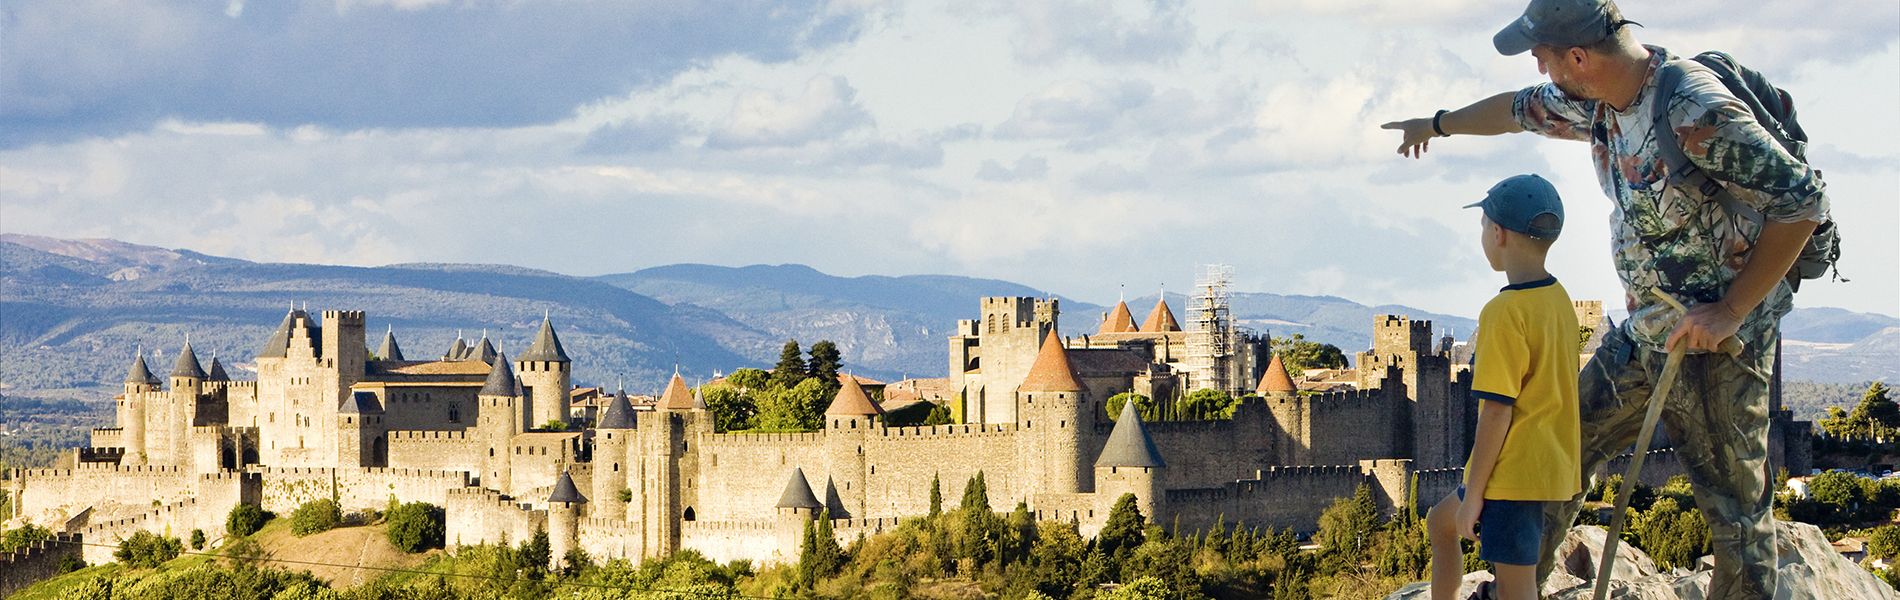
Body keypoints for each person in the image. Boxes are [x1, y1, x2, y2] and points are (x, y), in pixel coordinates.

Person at [1382, 0, 1829, 596]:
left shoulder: (1694, 108)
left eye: (1542, 55)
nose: (1539, 67)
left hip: (1721, 349)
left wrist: (1731, 310)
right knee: (1556, 454)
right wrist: (1435, 125)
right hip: (1646, 335)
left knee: (1737, 519)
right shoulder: (1597, 101)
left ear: (1578, 55)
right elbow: (1516, 112)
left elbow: (1801, 202)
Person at [1425, 174, 1580, 600]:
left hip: (1512, 474)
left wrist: (1474, 495)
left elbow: (1497, 410)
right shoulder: (1558, 300)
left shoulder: (1504, 312)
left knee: (1516, 589)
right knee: (1440, 523)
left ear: (1498, 233)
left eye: (1482, 226)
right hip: (1541, 464)